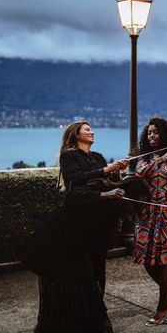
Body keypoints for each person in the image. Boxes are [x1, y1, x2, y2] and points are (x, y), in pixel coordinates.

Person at [20, 180, 126, 333]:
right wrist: (105, 193)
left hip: (77, 243)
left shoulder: (103, 181)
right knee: (66, 283)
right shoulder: (79, 173)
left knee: (84, 284)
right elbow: (73, 196)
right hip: (61, 242)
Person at [58, 120, 129, 293]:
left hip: (99, 217)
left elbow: (107, 182)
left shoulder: (97, 157)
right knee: (81, 263)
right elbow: (77, 177)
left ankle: (99, 306)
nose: (92, 132)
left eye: (91, 130)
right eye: (87, 130)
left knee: (99, 262)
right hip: (80, 217)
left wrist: (115, 171)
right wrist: (106, 170)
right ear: (76, 134)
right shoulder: (68, 156)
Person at [134, 117, 167, 325]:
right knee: (146, 259)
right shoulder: (145, 157)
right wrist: (159, 160)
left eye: (155, 132)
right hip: (148, 213)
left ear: (164, 134)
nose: (151, 136)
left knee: (164, 258)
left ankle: (162, 307)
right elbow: (140, 173)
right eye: (149, 133)